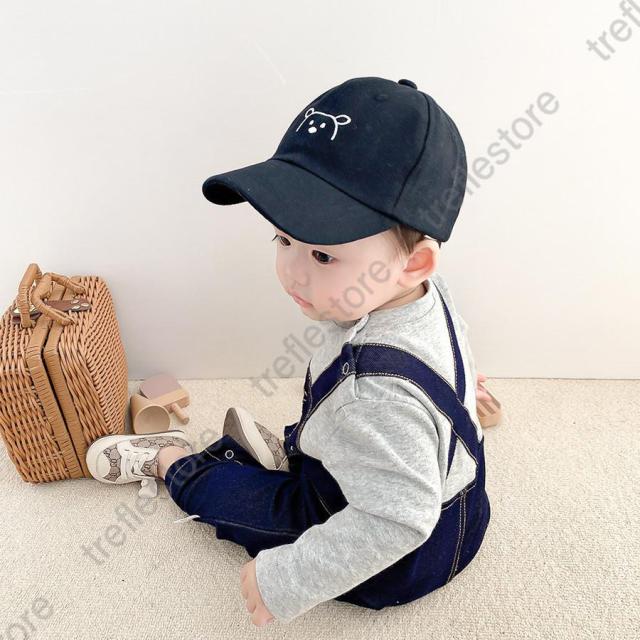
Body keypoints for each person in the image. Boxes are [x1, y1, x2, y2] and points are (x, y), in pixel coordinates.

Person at [85, 76, 492, 627]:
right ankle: (303, 455)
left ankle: (173, 461)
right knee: (342, 431)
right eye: (282, 239)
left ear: (413, 263)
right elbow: (449, 349)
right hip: (460, 499)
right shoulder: (425, 295)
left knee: (238, 501)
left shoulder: (373, 396)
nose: (291, 272)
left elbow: (395, 522)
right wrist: (459, 397)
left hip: (401, 559)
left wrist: (286, 578)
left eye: (322, 256)